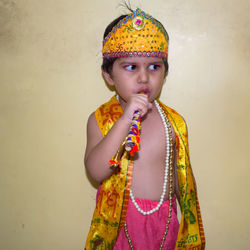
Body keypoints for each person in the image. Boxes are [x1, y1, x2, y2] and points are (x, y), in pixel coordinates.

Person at [84, 8, 205, 250]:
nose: (144, 77)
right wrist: (124, 120)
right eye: (131, 67)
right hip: (119, 226)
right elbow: (96, 172)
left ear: (165, 72)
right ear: (108, 75)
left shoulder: (173, 123)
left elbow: (183, 183)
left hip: (164, 226)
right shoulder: (102, 119)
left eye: (154, 67)